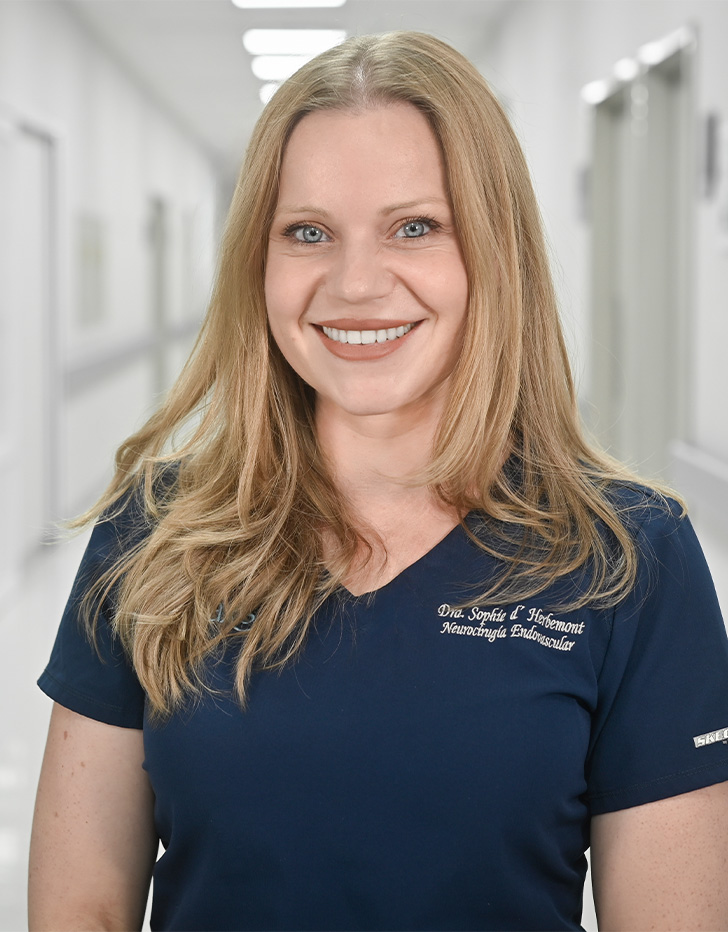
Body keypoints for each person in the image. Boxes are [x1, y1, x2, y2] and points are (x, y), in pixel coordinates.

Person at [28, 30, 728, 932]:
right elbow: (82, 908)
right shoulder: (154, 532)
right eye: (308, 232)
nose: (355, 283)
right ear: (259, 261)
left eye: (415, 227)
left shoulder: (630, 556)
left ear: (495, 252)